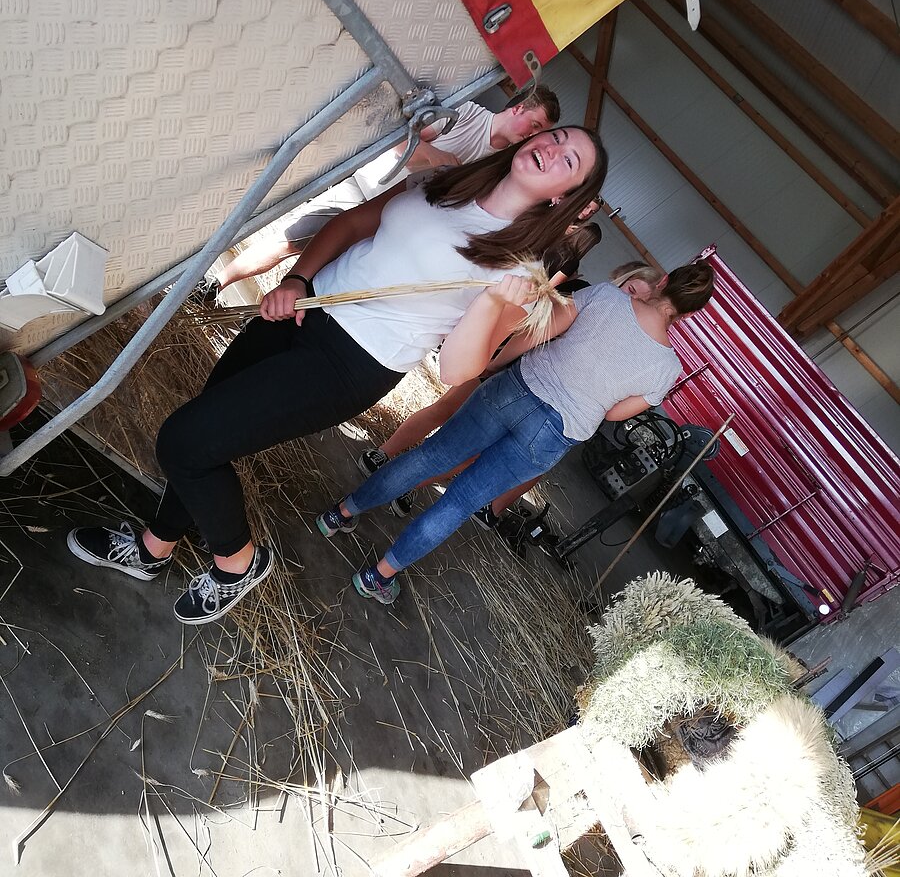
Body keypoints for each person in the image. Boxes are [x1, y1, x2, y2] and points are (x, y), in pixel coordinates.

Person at [67, 126, 606, 624]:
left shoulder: (521, 273)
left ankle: (237, 563)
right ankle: (152, 549)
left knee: (184, 441)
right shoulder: (443, 182)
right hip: (306, 308)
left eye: (570, 160)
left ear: (565, 196)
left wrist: (491, 304)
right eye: (556, 137)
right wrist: (298, 279)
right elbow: (351, 224)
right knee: (207, 437)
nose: (553, 150)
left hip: (351, 363)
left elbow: (457, 370)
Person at [316, 260, 715, 604]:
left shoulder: (606, 296)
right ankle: (377, 576)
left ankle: (339, 514)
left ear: (664, 281)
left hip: (519, 387)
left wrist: (493, 362)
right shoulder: (666, 369)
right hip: (557, 431)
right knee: (461, 501)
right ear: (689, 313)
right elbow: (613, 414)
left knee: (430, 457)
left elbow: (540, 331)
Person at [356, 218, 604, 519]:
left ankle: (384, 456)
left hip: (502, 355)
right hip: (513, 368)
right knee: (463, 439)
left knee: (448, 416)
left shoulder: (548, 255)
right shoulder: (577, 287)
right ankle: (404, 480)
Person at [217, 85, 561, 289]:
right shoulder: (464, 115)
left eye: (539, 132)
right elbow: (397, 139)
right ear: (518, 108)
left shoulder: (500, 165)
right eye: (534, 126)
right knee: (291, 242)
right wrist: (436, 157)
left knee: (321, 276)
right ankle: (215, 284)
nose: (532, 137)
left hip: (393, 226)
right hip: (367, 192)